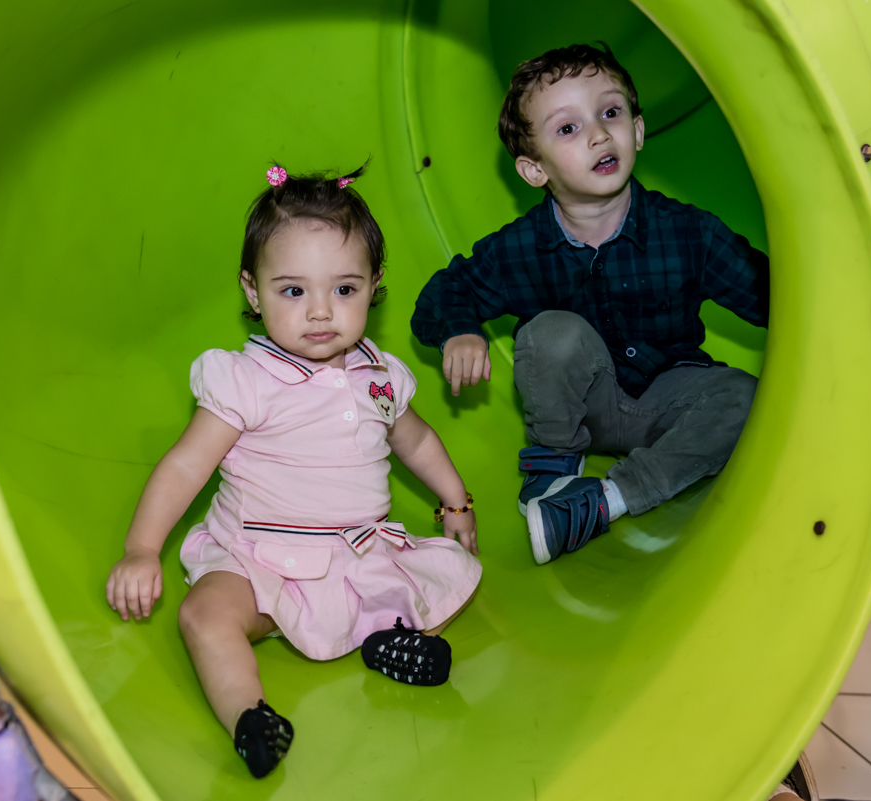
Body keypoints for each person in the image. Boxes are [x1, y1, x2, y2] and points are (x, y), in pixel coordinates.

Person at [106, 164, 482, 779]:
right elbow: (185, 465)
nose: (319, 313)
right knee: (204, 616)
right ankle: (250, 717)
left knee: (436, 577)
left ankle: (386, 637)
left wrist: (456, 502)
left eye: (344, 290)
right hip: (255, 558)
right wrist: (142, 548)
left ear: (374, 287)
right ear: (253, 292)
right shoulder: (246, 382)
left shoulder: (379, 374)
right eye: (292, 291)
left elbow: (415, 441)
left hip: (354, 554)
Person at [412, 42, 768, 566]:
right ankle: (556, 469)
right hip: (580, 411)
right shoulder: (519, 248)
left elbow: (775, 298)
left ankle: (607, 499)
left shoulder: (688, 233)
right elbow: (439, 297)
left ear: (638, 130)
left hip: (669, 401)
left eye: (610, 113)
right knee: (549, 331)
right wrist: (461, 328)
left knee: (742, 395)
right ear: (534, 171)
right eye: (568, 128)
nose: (599, 134)